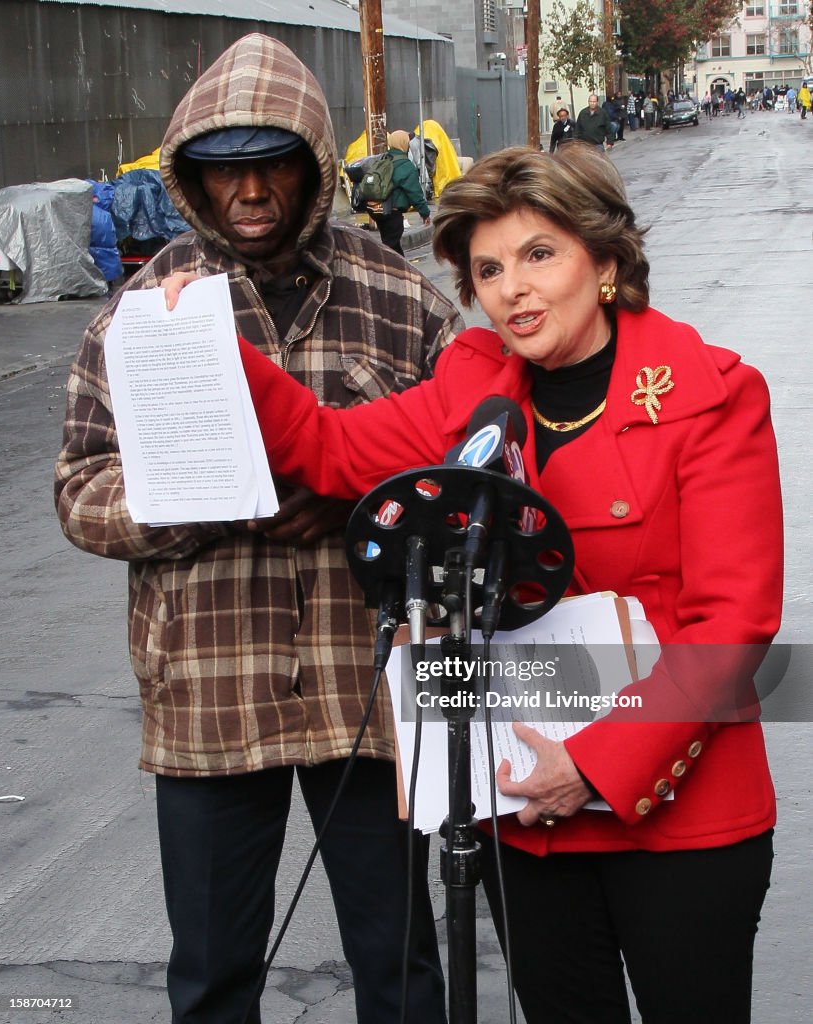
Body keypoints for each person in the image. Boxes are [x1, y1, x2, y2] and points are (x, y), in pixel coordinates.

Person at [164, 141, 782, 1024]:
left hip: (674, 815)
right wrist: (218, 346)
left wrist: (594, 766)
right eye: (487, 269)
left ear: (604, 263)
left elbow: (732, 624)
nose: (511, 289)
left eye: (539, 255)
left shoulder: (709, 394)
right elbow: (328, 447)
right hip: (523, 812)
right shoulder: (474, 386)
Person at [54, 33, 462, 1024]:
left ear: (314, 164)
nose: (246, 189)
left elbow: (460, 472)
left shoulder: (401, 297)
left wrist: (368, 502)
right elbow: (79, 489)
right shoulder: (140, 315)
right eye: (222, 168)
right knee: (213, 974)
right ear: (192, 175)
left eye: (269, 162)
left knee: (400, 964)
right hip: (206, 689)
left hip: (358, 685)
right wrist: (186, 502)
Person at [367, 129, 432, 256]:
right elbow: (415, 193)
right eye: (407, 142)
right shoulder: (404, 165)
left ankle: (398, 271)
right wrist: (425, 213)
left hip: (376, 210)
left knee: (391, 245)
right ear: (403, 143)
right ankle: (393, 272)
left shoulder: (383, 159)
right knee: (392, 249)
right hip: (392, 212)